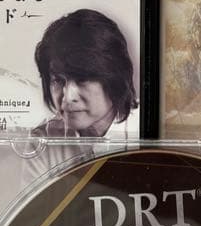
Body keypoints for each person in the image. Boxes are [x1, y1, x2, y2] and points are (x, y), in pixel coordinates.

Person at [32, 9, 138, 137]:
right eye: (58, 80)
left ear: (116, 78)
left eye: (82, 79)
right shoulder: (43, 138)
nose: (68, 98)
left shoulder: (149, 127)